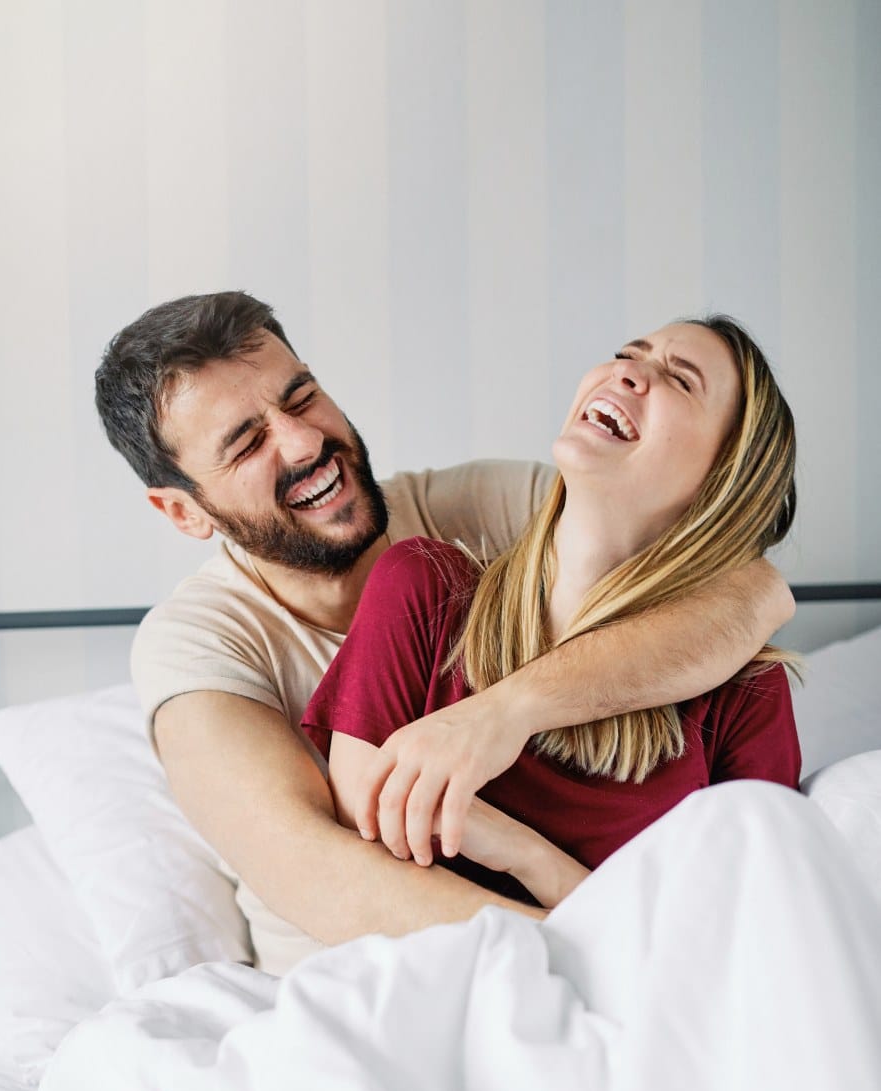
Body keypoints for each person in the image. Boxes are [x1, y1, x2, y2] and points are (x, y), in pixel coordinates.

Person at [95, 293, 794, 973]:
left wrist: (503, 714)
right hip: (362, 986)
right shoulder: (198, 645)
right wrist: (612, 961)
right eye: (248, 443)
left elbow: (752, 589)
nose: (304, 441)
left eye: (302, 396)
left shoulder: (481, 514)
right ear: (184, 513)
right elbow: (318, 871)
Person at [302, 316, 801, 906]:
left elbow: (734, 939)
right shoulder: (422, 590)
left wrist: (520, 852)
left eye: (680, 379)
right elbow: (359, 880)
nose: (629, 372)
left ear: (726, 480)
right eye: (627, 353)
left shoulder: (747, 688)